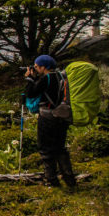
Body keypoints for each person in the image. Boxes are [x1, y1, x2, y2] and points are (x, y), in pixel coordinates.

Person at [25, 55, 76, 187]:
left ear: (44, 67)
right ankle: (69, 178)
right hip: (61, 117)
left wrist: (30, 79)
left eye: (36, 66)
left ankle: (52, 180)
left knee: (46, 149)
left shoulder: (47, 78)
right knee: (60, 148)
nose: (35, 69)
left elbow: (31, 93)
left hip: (47, 117)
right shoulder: (61, 76)